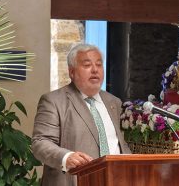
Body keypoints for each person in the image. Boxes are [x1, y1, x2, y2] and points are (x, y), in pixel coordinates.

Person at [32, 43, 131, 186]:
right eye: (87, 65)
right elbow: (40, 143)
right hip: (73, 181)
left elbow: (120, 145)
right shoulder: (53, 101)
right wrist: (66, 157)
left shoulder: (114, 102)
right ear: (72, 72)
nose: (95, 70)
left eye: (99, 64)